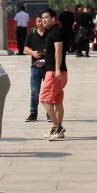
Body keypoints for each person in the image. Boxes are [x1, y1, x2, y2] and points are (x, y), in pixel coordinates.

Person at [35, 8, 69, 140]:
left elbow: (59, 50)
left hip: (55, 72)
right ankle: (57, 129)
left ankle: (57, 127)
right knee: (57, 100)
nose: (43, 20)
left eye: (46, 18)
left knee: (44, 98)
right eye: (42, 18)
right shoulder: (52, 31)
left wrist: (57, 69)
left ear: (53, 18)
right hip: (57, 71)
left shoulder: (56, 32)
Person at [23, 14, 51, 122]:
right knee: (34, 91)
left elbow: (57, 47)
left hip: (48, 66)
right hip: (35, 66)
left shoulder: (50, 33)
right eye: (38, 21)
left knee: (49, 91)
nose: (40, 23)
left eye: (41, 21)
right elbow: (26, 48)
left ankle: (50, 114)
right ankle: (33, 114)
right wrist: (33, 53)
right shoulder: (32, 33)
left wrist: (48, 51)